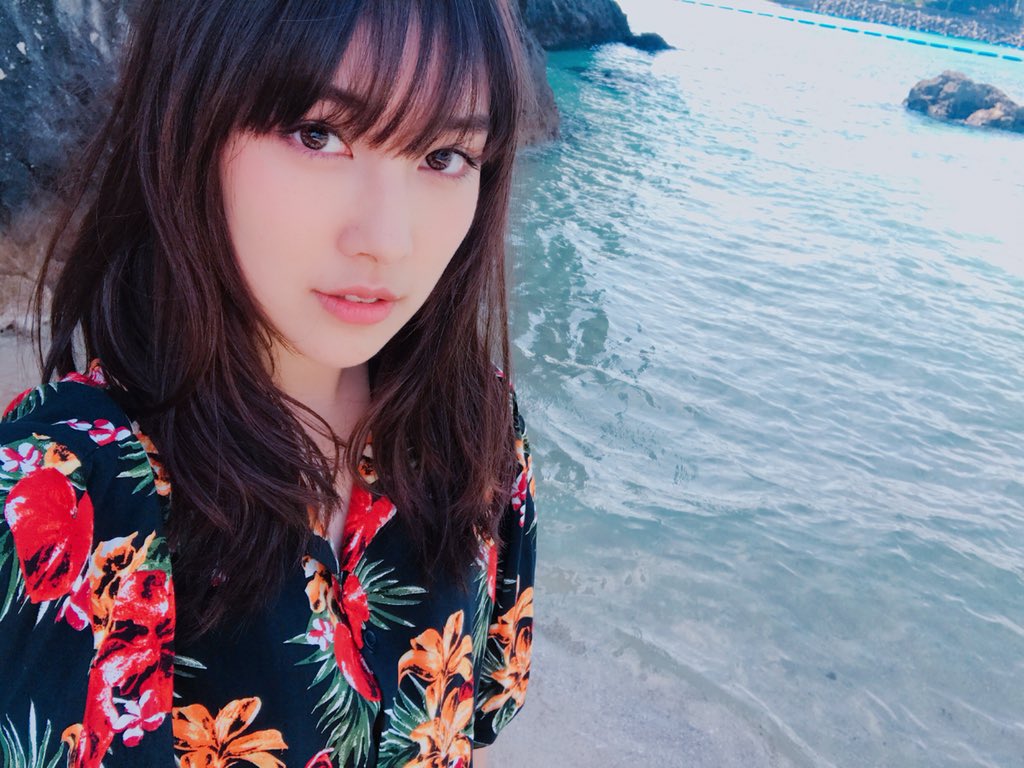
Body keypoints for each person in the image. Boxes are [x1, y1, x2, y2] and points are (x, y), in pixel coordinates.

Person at [0, 1, 537, 766]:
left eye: (444, 155)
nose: (388, 240)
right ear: (192, 120)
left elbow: (466, 730)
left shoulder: (479, 429)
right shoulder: (57, 504)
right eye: (318, 134)